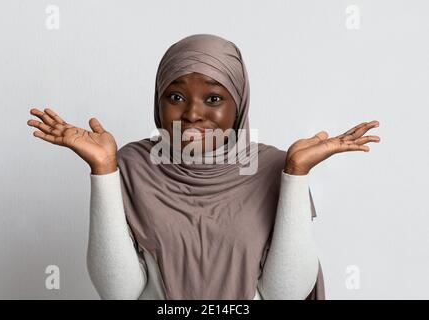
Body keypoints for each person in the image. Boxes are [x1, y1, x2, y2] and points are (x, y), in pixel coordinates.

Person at [27, 34, 380, 300]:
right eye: (176, 96)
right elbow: (119, 293)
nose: (193, 113)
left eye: (213, 98)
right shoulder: (132, 164)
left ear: (238, 105)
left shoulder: (272, 167)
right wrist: (104, 170)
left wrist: (295, 173)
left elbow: (284, 295)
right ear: (158, 100)